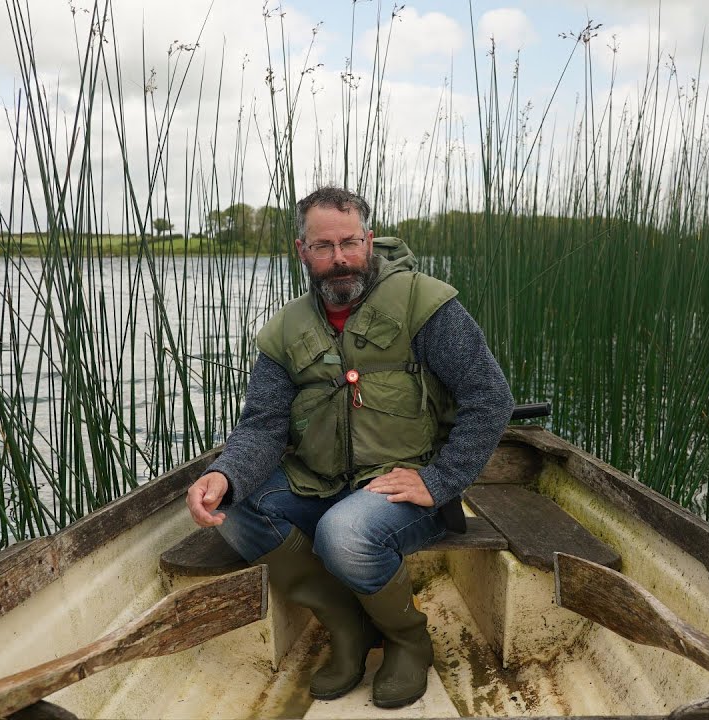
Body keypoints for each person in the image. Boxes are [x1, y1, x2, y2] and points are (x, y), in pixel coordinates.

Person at [185, 186, 513, 709]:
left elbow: (490, 396)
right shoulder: (285, 330)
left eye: (350, 243)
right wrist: (224, 476)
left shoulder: (424, 304)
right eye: (323, 247)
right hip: (318, 483)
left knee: (346, 532)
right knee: (234, 505)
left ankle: (408, 640)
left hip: (404, 489)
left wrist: (440, 480)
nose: (339, 259)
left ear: (369, 239)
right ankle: (349, 628)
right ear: (302, 251)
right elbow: (263, 427)